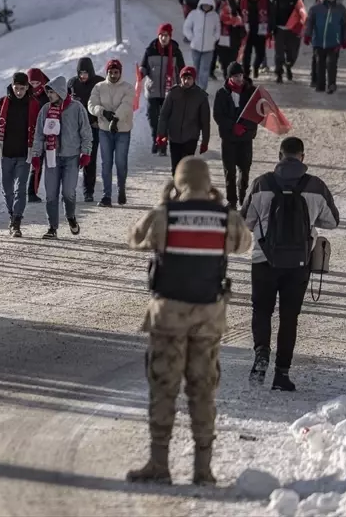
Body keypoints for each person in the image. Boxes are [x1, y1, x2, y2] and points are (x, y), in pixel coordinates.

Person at [126, 157, 253, 486]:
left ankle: (159, 464)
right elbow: (245, 244)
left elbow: (136, 238)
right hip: (209, 316)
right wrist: (219, 204)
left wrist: (164, 200)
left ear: (178, 181)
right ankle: (202, 468)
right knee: (203, 390)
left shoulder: (164, 215)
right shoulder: (226, 218)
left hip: (169, 314)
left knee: (164, 387)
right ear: (208, 182)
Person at [241, 136, 340, 391]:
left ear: (279, 155)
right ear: (302, 157)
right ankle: (281, 374)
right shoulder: (316, 186)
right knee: (289, 318)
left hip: (263, 259)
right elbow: (332, 221)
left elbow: (246, 222)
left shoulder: (262, 183)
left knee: (261, 310)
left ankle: (261, 352)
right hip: (299, 262)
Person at [32, 77, 92, 238]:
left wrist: (86, 152)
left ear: (61, 92)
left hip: (71, 157)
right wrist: (36, 154)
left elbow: (86, 132)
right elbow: (38, 135)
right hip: (51, 157)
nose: (49, 95)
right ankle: (52, 227)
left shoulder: (77, 108)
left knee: (68, 192)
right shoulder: (45, 110)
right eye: (48, 92)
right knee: (51, 194)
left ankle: (71, 217)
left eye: (52, 92)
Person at [0, 71, 41, 237]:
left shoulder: (33, 104)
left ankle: (16, 221)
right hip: (5, 153)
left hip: (24, 154)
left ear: (27, 88)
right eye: (16, 88)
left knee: (20, 189)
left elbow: (40, 129)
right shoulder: (2, 103)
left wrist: (38, 152)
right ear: (12, 87)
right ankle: (13, 215)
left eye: (22, 88)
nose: (18, 91)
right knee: (7, 190)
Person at [87, 59, 135, 206]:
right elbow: (91, 104)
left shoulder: (128, 88)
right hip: (104, 130)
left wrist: (116, 118)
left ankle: (121, 189)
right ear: (107, 72)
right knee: (106, 163)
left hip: (122, 130)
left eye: (116, 72)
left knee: (120, 162)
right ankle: (106, 195)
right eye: (111, 72)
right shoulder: (99, 87)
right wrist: (102, 112)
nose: (113, 75)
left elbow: (127, 104)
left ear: (120, 72)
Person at [213, 63, 257, 210]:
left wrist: (246, 127)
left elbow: (257, 112)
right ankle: (231, 200)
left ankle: (243, 195)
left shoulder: (251, 92)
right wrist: (232, 126)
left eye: (240, 75)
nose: (239, 79)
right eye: (235, 76)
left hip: (245, 138)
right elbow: (218, 115)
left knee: (245, 169)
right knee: (229, 171)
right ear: (229, 77)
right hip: (229, 138)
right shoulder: (222, 94)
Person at [157, 66, 210, 174]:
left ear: (194, 79)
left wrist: (205, 141)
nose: (186, 81)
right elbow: (164, 115)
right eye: (184, 78)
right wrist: (161, 134)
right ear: (180, 78)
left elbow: (205, 121)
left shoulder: (201, 96)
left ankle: (184, 190)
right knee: (175, 168)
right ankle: (178, 190)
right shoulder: (173, 93)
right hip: (174, 136)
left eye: (189, 78)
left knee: (186, 169)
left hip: (191, 137)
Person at [141, 24, 185, 154]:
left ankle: (163, 145)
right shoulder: (150, 50)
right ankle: (156, 139)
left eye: (166, 35)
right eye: (161, 35)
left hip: (169, 91)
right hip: (153, 90)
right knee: (153, 118)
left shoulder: (176, 51)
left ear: (170, 36)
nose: (163, 38)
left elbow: (182, 70)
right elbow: (144, 67)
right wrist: (141, 73)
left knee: (166, 119)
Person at [303, 0, 346, 94]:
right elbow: (309, 23)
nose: (331, 0)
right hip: (318, 41)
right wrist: (307, 35)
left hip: (334, 42)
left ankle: (331, 84)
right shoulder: (316, 9)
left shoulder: (341, 9)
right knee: (320, 63)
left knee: (332, 63)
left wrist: (344, 39)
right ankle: (320, 84)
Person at [67, 58, 101, 202]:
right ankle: (70, 190)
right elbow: (65, 103)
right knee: (72, 158)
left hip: (93, 127)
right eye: (81, 73)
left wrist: (99, 120)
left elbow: (106, 102)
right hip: (75, 127)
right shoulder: (72, 83)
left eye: (86, 73)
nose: (83, 76)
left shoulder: (99, 83)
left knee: (89, 159)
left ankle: (88, 191)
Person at [183, 0, 220, 91]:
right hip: (195, 47)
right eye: (204, 5)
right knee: (196, 68)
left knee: (204, 69)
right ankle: (194, 86)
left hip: (209, 48)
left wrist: (213, 38)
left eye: (208, 5)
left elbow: (217, 30)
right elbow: (186, 27)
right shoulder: (194, 14)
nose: (206, 7)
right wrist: (192, 37)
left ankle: (202, 89)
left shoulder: (215, 16)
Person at [269, 0, 303, 83]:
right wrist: (272, 28)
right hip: (280, 29)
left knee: (292, 53)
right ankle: (279, 73)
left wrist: (300, 28)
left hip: (293, 30)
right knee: (279, 53)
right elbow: (272, 14)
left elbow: (302, 13)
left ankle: (288, 66)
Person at [26, 67, 50, 203]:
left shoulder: (47, 94)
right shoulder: (26, 94)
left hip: (45, 133)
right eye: (32, 84)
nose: (35, 87)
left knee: (39, 163)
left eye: (37, 83)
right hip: (29, 132)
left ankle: (32, 191)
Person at [240, 0, 271, 78]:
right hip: (246, 31)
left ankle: (256, 66)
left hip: (260, 31)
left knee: (261, 54)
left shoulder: (265, 0)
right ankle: (246, 72)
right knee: (246, 54)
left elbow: (271, 14)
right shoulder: (241, 0)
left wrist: (271, 27)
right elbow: (236, 13)